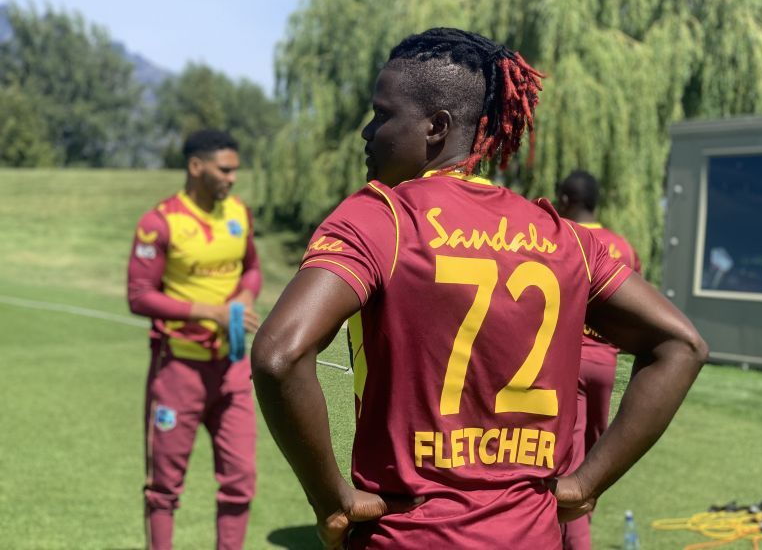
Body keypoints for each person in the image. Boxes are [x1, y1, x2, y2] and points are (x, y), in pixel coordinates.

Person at [251, 28, 707, 549]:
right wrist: (584, 483)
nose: (366, 132)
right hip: (532, 535)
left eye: (382, 114)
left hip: (409, 534)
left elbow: (279, 354)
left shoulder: (385, 217)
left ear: (436, 127)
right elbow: (683, 345)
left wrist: (330, 498)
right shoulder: (567, 239)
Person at [127, 129, 262, 550]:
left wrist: (242, 296)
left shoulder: (239, 213)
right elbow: (139, 296)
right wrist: (210, 312)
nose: (232, 178)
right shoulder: (160, 222)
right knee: (164, 488)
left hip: (232, 369)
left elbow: (252, 269)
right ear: (196, 166)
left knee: (241, 481)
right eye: (225, 169)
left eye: (236, 170)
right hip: (178, 370)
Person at [555, 169, 642, 550]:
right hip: (607, 363)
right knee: (595, 458)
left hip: (572, 363)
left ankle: (575, 539)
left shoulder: (565, 238)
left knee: (572, 465)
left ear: (565, 200)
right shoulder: (623, 246)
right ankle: (579, 527)